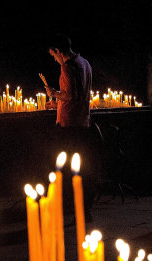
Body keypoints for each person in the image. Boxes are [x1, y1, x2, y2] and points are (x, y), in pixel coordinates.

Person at [44, 33, 97, 224]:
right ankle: (85, 210)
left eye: (53, 55)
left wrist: (54, 94)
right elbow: (80, 95)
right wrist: (57, 103)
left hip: (70, 125)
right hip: (83, 121)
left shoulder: (67, 67)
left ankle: (74, 210)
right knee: (82, 167)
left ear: (59, 51)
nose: (55, 59)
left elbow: (71, 95)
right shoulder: (85, 63)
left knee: (70, 170)